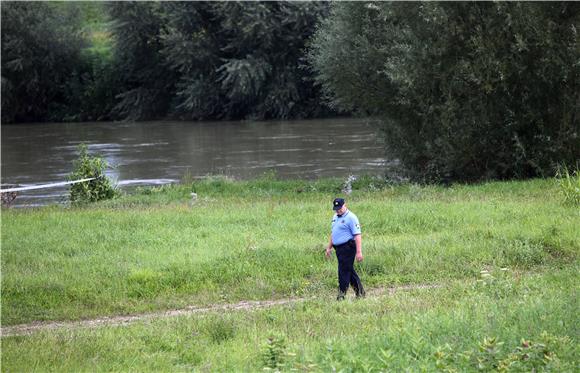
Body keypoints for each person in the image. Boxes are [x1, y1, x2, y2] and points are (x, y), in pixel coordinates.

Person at [325, 197, 365, 300]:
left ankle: (341, 296)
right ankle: (360, 293)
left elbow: (357, 235)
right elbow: (333, 232)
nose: (338, 210)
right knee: (349, 271)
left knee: (343, 272)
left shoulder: (351, 217)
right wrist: (329, 247)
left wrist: (359, 252)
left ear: (345, 205)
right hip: (338, 249)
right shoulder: (335, 216)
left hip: (348, 248)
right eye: (336, 208)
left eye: (340, 208)